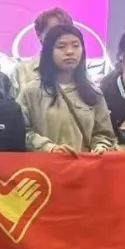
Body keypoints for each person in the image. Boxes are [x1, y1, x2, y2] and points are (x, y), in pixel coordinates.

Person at [19, 24, 116, 154]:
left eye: (76, 46)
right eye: (61, 46)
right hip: (45, 164)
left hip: (83, 164)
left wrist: (101, 146)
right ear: (49, 52)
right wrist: (49, 148)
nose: (70, 51)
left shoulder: (93, 93)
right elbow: (21, 132)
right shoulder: (31, 92)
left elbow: (104, 134)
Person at [14, 7, 74, 92]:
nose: (61, 36)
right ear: (39, 35)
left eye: (66, 31)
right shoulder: (22, 70)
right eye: (54, 31)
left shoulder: (79, 69)